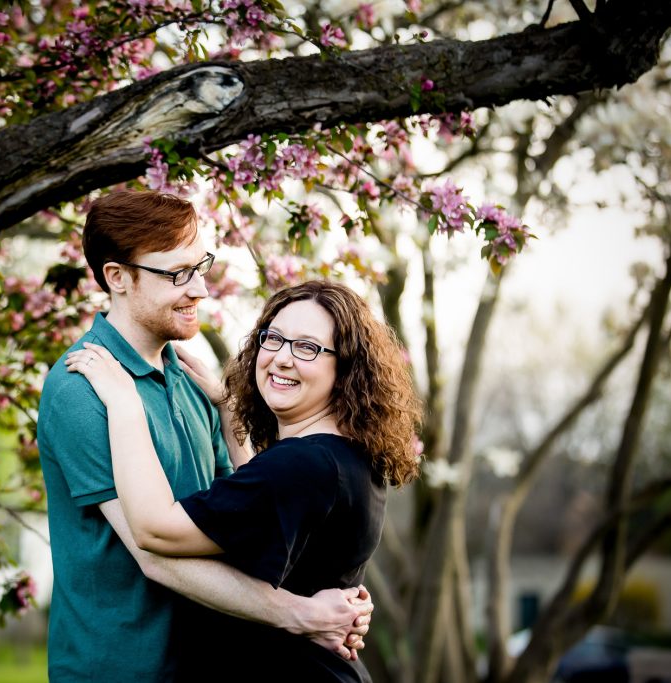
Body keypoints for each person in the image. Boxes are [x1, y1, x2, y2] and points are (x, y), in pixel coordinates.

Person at [37, 192, 373, 682]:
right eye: (177, 274)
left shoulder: (193, 381)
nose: (200, 290)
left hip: (203, 663)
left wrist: (335, 589)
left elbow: (241, 514)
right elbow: (155, 553)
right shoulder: (82, 389)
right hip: (121, 668)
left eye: (200, 268)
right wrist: (302, 615)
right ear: (118, 278)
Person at [67, 280, 422, 682]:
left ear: (346, 367)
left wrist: (125, 405)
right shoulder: (345, 456)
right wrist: (228, 409)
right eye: (273, 339)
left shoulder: (303, 465)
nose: (281, 359)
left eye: (307, 348)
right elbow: (263, 506)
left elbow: (155, 530)